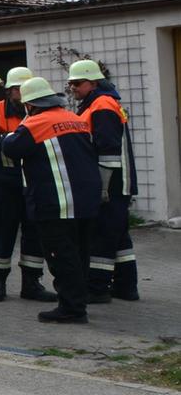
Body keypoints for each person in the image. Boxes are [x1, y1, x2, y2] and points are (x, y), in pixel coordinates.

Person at [3, 77, 102, 324]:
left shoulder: (34, 124)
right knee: (80, 254)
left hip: (56, 203)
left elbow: (12, 148)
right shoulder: (76, 119)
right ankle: (77, 302)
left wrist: (15, 128)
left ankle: (72, 308)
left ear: (30, 105)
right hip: (86, 201)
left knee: (61, 257)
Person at [0, 66, 55, 304]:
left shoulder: (39, 111)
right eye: (17, 90)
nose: (22, 95)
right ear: (9, 91)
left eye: (25, 90)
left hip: (33, 184)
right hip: (6, 184)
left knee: (34, 234)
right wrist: (10, 142)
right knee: (3, 233)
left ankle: (32, 283)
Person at [69, 59, 140, 302]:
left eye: (77, 83)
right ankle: (126, 287)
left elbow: (108, 151)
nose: (73, 88)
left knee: (102, 234)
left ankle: (97, 289)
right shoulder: (99, 103)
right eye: (71, 84)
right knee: (118, 236)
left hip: (111, 184)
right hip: (117, 182)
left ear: (93, 82)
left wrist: (102, 188)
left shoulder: (102, 106)